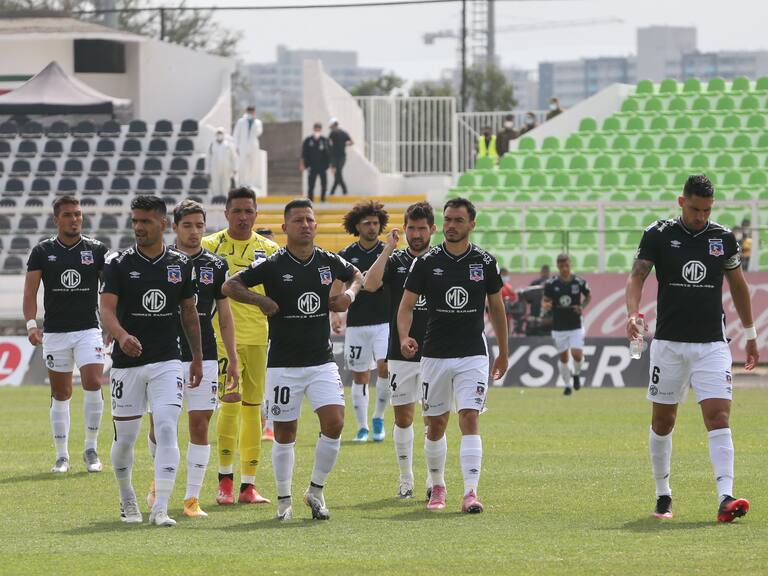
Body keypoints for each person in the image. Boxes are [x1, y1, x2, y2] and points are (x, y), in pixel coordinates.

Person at [626, 174, 758, 523]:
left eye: (707, 210)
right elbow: (637, 275)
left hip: (711, 344)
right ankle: (663, 494)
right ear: (681, 202)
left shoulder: (723, 239)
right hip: (669, 345)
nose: (701, 216)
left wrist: (750, 333)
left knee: (718, 417)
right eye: (695, 209)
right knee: (663, 422)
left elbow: (739, 287)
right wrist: (632, 313)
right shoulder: (658, 234)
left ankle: (725, 497)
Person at [223, 198, 363, 521]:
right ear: (285, 227)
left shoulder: (328, 260)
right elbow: (230, 285)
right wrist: (259, 300)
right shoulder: (273, 264)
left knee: (335, 422)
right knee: (285, 433)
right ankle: (284, 500)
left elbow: (357, 275)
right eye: (298, 220)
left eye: (310, 219)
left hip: (321, 361)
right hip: (283, 364)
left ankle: (316, 491)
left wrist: (348, 295)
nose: (306, 225)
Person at [397, 197, 509, 513]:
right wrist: (404, 336)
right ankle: (438, 486)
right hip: (435, 354)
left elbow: (497, 308)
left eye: (458, 220)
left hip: (473, 353)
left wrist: (503, 352)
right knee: (436, 424)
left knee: (469, 417)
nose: (451, 226)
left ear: (472, 224)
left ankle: (471, 493)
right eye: (447, 219)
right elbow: (405, 307)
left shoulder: (485, 262)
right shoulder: (426, 262)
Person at [99, 195, 203, 526]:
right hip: (126, 363)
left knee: (168, 428)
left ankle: (160, 508)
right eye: (135, 221)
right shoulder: (117, 263)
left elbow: (189, 312)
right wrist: (121, 335)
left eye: (145, 221)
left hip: (167, 359)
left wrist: (197, 357)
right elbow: (106, 310)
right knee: (125, 440)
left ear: (162, 224)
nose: (138, 227)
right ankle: (126, 495)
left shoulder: (181, 264)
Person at [145, 200, 239, 518]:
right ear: (174, 227)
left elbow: (224, 316)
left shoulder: (216, 265)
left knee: (200, 425)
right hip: (163, 354)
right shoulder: (161, 261)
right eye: (187, 225)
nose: (194, 231)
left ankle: (192, 499)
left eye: (200, 225)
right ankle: (158, 483)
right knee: (160, 425)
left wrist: (233, 358)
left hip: (205, 355)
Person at [201, 187, 279, 505]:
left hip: (259, 339)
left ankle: (248, 485)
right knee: (230, 404)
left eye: (249, 211)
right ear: (226, 214)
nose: (243, 217)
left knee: (252, 409)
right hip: (222, 340)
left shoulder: (270, 250)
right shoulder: (210, 246)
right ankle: (224, 482)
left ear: (256, 214)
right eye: (237, 211)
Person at [23, 195, 108, 474]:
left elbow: (110, 290)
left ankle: (91, 449)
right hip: (56, 333)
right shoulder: (42, 251)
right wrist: (31, 325)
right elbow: (30, 291)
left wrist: (112, 324)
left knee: (93, 381)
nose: (75, 219)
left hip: (88, 329)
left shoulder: (96, 250)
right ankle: (61, 455)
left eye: (78, 214)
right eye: (68, 215)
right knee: (61, 392)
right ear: (56, 219)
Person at [363, 201, 436, 498]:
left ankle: (433, 480)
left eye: (422, 228)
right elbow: (369, 284)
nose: (416, 234)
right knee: (403, 417)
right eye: (411, 228)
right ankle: (406, 478)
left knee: (434, 419)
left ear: (432, 229)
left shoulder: (441, 261)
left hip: (436, 353)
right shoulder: (395, 261)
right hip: (400, 353)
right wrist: (387, 249)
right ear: (404, 228)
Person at [334, 201, 391, 442]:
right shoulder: (346, 255)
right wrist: (335, 313)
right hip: (357, 324)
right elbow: (337, 286)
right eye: (367, 223)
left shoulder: (388, 252)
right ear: (357, 226)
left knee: (385, 368)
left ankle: (379, 417)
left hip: (384, 322)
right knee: (360, 376)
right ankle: (362, 427)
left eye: (376, 223)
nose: (372, 227)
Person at [542, 254, 591, 396]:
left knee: (577, 354)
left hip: (575, 324)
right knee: (564, 358)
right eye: (561, 266)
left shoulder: (579, 282)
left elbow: (588, 296)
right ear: (558, 266)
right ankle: (567, 385)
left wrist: (582, 307)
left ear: (570, 264)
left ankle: (576, 374)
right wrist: (546, 305)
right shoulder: (551, 283)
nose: (564, 268)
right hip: (559, 326)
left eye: (566, 265)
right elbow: (545, 300)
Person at [233, 106, 263, 190]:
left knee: (253, 166)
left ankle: (250, 183)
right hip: (243, 146)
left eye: (252, 111)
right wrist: (236, 147)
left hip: (253, 146)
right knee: (242, 165)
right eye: (250, 111)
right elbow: (236, 134)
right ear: (247, 112)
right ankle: (242, 183)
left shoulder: (257, 122)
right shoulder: (241, 121)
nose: (251, 113)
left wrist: (254, 123)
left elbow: (259, 132)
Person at [301, 122, 331, 202]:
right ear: (313, 129)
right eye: (316, 129)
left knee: (324, 184)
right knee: (311, 185)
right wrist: (303, 164)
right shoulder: (308, 140)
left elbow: (329, 153)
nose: (317, 131)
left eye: (318, 129)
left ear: (321, 130)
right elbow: (304, 153)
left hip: (322, 166)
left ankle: (323, 199)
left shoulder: (324, 140)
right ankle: (310, 200)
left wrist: (329, 164)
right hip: (312, 166)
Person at [207, 127, 238, 198]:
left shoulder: (229, 145)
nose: (219, 135)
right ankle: (216, 200)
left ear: (223, 134)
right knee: (215, 185)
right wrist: (208, 171)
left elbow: (233, 157)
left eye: (220, 133)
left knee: (226, 185)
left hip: (226, 169)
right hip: (214, 170)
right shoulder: (212, 145)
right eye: (218, 133)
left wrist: (235, 168)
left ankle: (225, 200)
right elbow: (208, 159)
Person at [328, 118, 353, 196]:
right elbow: (329, 143)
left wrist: (344, 144)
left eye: (332, 126)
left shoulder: (343, 133)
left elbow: (351, 142)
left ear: (335, 125)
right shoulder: (332, 134)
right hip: (334, 157)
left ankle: (335, 191)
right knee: (337, 174)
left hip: (342, 156)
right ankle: (343, 191)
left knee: (338, 172)